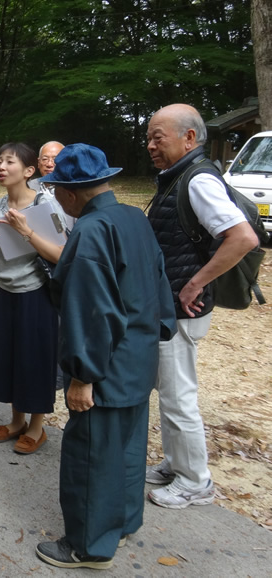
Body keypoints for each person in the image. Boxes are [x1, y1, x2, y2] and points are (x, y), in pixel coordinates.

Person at [35, 144, 176, 570]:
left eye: (58, 188)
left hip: (106, 365)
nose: (56, 195)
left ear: (73, 194)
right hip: (139, 356)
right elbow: (158, 279)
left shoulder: (92, 231)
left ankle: (89, 546)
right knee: (129, 449)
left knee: (91, 456)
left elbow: (92, 310)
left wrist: (82, 376)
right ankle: (125, 521)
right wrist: (157, 332)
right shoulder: (134, 217)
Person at [144, 104, 259, 509]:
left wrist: (196, 283)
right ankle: (176, 464)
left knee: (179, 397)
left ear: (189, 137)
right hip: (171, 303)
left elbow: (243, 238)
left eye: (159, 136)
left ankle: (196, 481)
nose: (151, 145)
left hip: (182, 307)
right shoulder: (179, 177)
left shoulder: (197, 181)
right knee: (171, 392)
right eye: (149, 137)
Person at [0, 143, 67, 454]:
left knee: (36, 359)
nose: (1, 167)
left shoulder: (47, 207)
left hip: (37, 293)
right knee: (10, 355)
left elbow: (61, 254)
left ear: (29, 171)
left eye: (10, 162)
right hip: (6, 290)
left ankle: (37, 427)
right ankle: (16, 422)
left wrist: (27, 231)